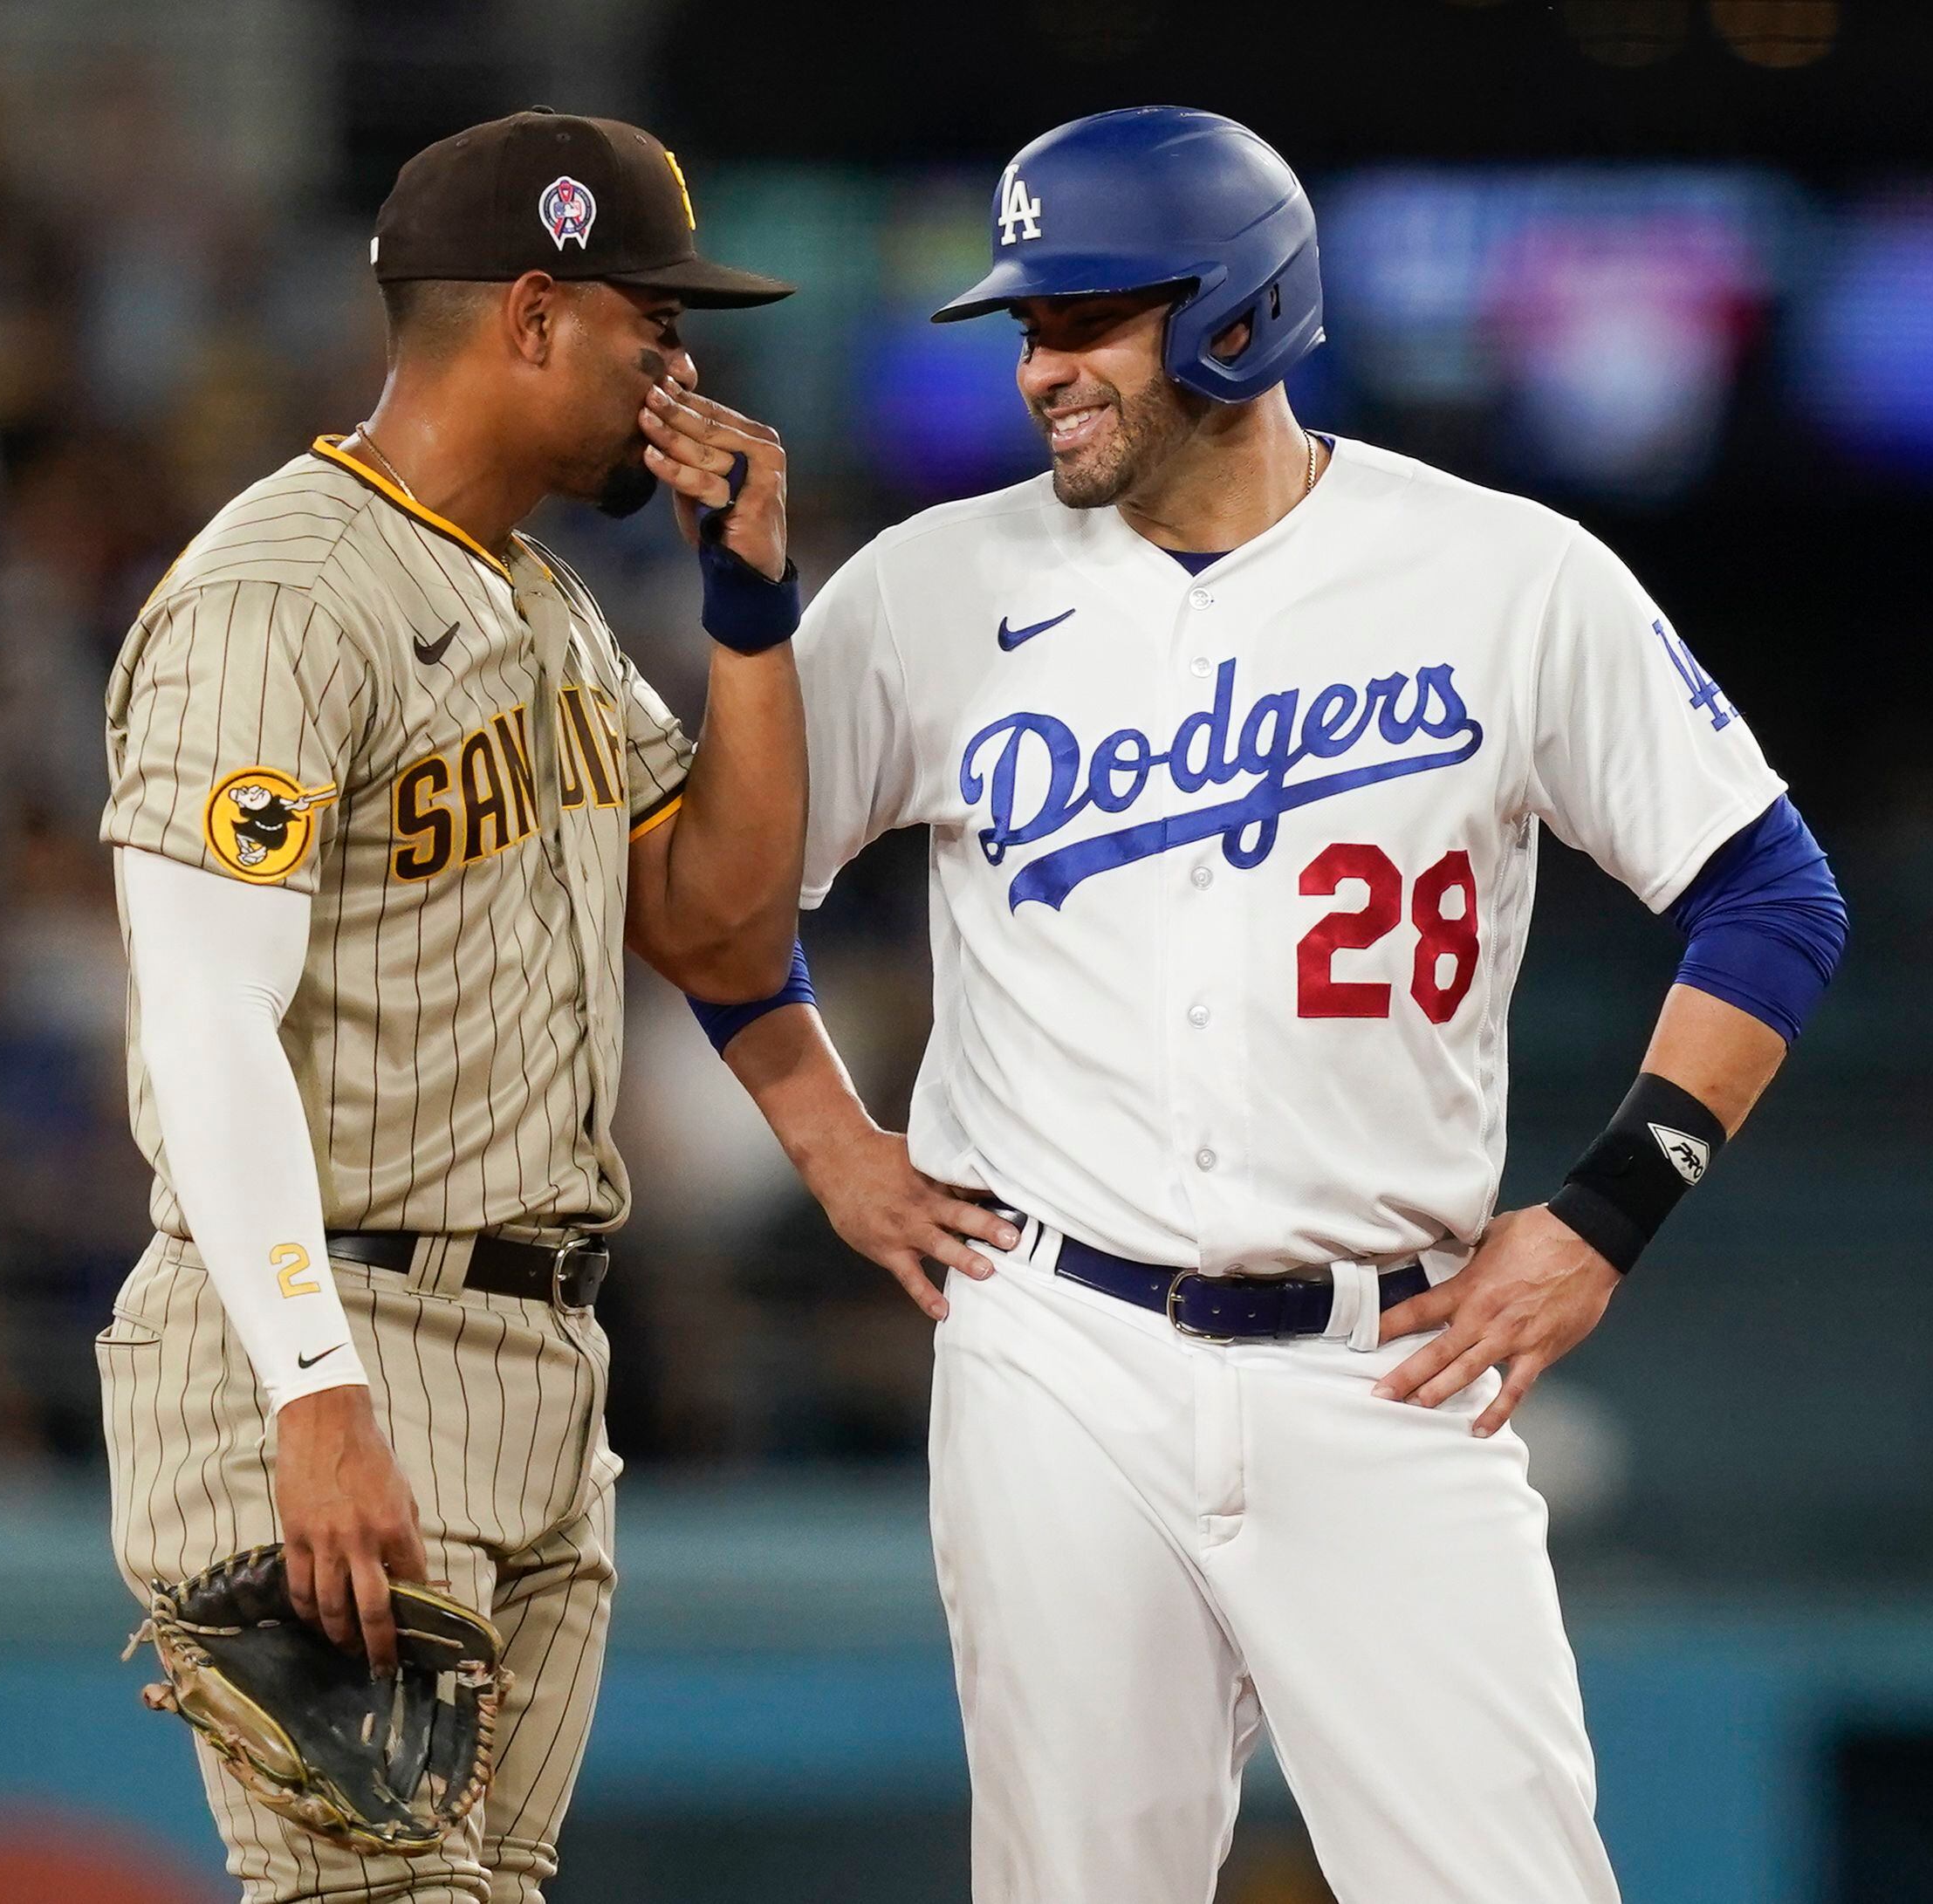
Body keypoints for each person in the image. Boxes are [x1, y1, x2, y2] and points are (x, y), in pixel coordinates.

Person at [694, 108, 1848, 1904]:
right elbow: (714, 900)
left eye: (1083, 320)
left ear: (1234, 316)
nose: (1037, 371)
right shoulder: (926, 591)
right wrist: (826, 1135)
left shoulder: (1500, 574)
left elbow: (1768, 894)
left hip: (1387, 1357)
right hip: (1056, 1344)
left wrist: (1609, 1212)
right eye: (1023, 328)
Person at [97, 109, 807, 1902]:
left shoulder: (546, 606)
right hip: (335, 1335)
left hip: (535, 1374)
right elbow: (201, 1018)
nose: (683, 364)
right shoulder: (280, 594)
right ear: (532, 313)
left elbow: (720, 924)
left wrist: (746, 610)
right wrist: (314, 1387)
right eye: (654, 319)